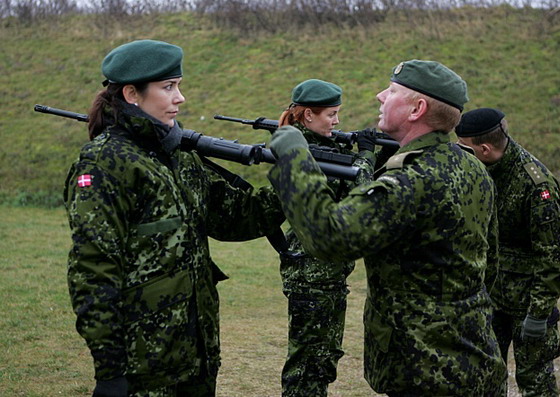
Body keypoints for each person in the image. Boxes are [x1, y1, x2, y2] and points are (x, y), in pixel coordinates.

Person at [267, 60, 507, 396]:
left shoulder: (410, 181)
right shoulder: (470, 165)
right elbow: (489, 263)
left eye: (392, 92)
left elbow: (329, 237)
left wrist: (293, 157)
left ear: (416, 109)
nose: (381, 96)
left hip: (426, 370)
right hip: (473, 355)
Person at [63, 39, 285, 397]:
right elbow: (93, 270)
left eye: (178, 85)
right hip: (144, 368)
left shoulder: (180, 157)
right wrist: (109, 370)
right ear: (132, 94)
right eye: (168, 87)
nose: (180, 97)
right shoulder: (106, 163)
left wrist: (295, 179)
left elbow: (238, 218)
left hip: (196, 357)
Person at [455, 108, 560, 396]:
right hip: (491, 298)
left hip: (527, 303)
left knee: (536, 384)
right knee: (485, 380)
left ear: (483, 149)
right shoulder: (477, 171)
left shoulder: (536, 185)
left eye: (464, 148)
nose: (459, 154)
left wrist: (539, 315)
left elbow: (552, 256)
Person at [276, 79, 376, 397]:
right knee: (306, 368)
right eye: (331, 115)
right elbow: (358, 197)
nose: (336, 121)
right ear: (308, 116)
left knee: (323, 360)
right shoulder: (303, 153)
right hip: (311, 275)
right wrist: (367, 157)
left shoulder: (325, 148)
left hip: (327, 274)